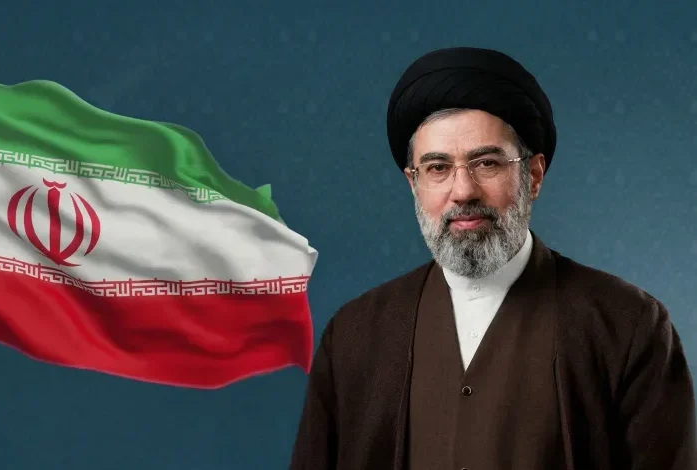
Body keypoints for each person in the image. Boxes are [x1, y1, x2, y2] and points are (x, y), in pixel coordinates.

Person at [289, 47, 696, 470]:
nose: (463, 191)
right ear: (413, 183)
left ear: (532, 176)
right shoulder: (353, 336)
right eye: (437, 168)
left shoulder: (628, 327)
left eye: (486, 163)